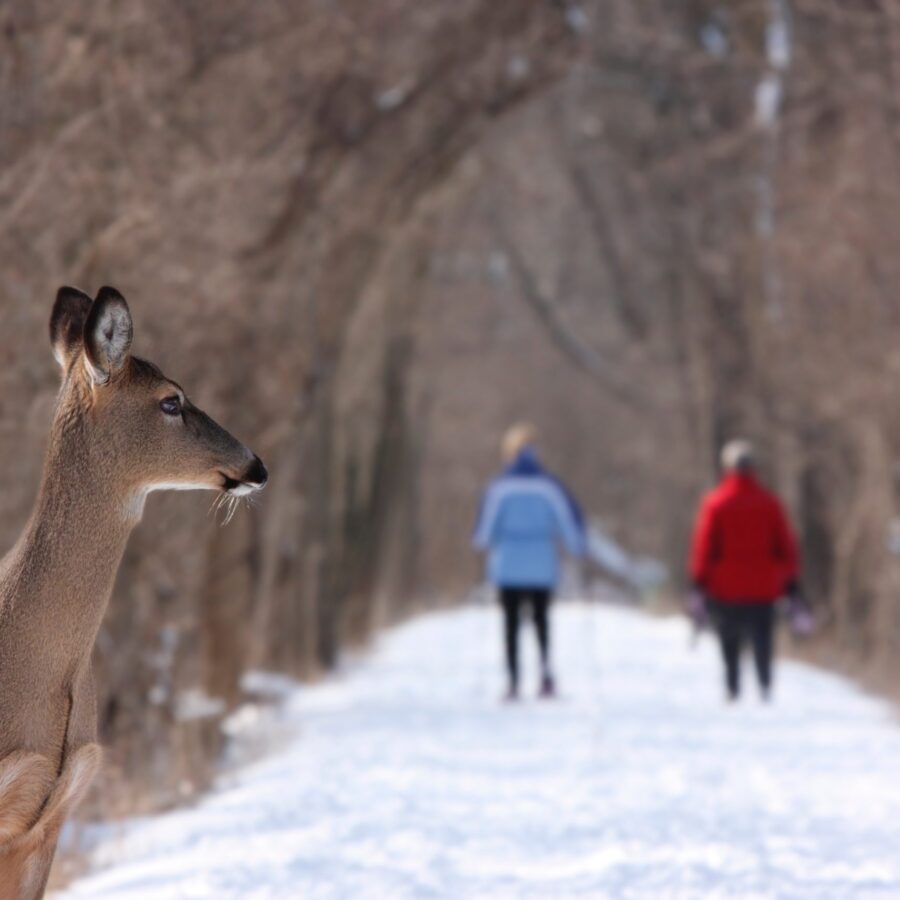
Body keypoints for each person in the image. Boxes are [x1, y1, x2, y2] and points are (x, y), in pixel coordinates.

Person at [473, 423, 585, 701]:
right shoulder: (549, 486)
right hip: (541, 565)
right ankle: (546, 676)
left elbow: (483, 533)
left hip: (507, 565)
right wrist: (577, 547)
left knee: (510, 623)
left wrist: (484, 543)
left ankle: (513, 681)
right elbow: (569, 525)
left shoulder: (499, 487)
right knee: (541, 621)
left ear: (509, 453)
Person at [689, 440, 800, 702]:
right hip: (764, 585)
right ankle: (764, 685)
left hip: (725, 586)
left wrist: (699, 580)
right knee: (763, 635)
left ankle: (732, 686)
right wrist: (790, 578)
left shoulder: (715, 503)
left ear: (727, 468)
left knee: (729, 637)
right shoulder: (770, 503)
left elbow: (704, 545)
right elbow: (786, 545)